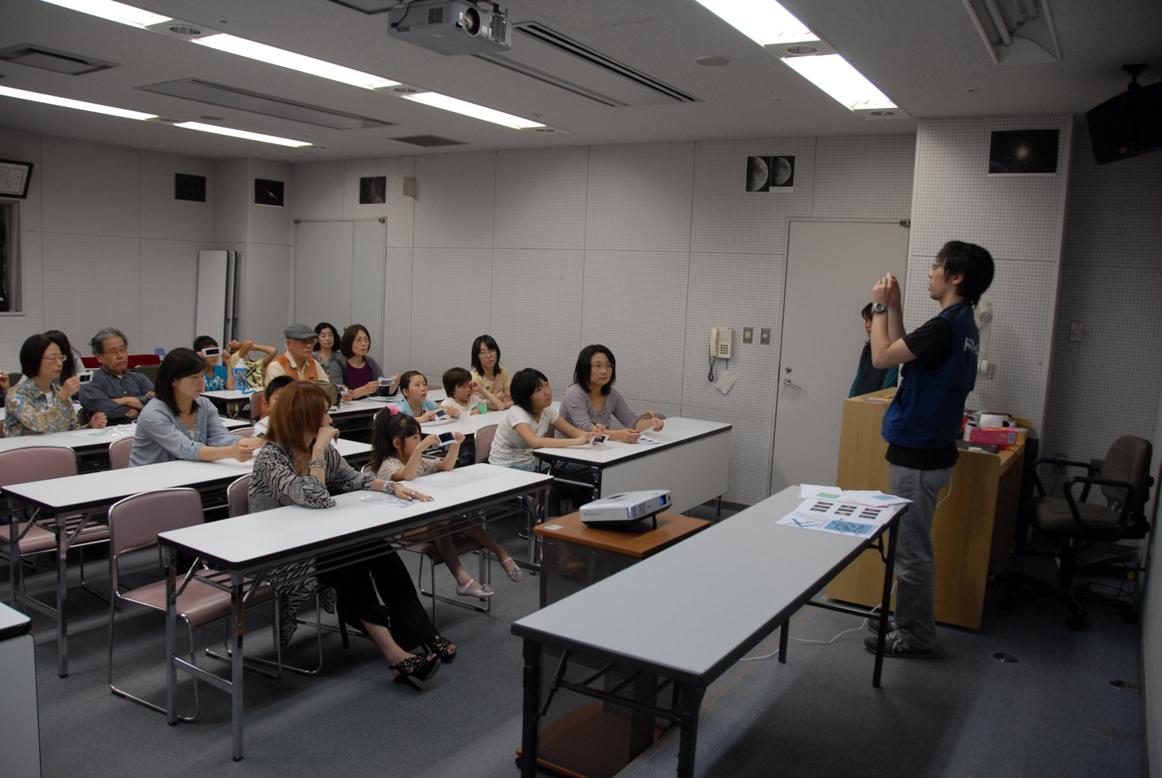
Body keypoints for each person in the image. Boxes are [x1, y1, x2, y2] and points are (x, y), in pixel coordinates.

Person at [248, 381, 453, 687]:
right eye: (324, 414)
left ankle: (422, 634)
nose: (331, 420)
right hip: (281, 552)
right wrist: (318, 449)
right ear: (305, 419)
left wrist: (390, 486)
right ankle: (395, 654)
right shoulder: (271, 457)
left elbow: (352, 480)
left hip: (318, 538)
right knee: (349, 558)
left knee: (378, 550)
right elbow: (314, 496)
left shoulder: (323, 452)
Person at [864, 240, 994, 659]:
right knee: (912, 544)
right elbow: (909, 354)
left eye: (936, 266)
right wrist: (897, 308)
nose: (930, 271)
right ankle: (905, 619)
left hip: (918, 456)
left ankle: (915, 635)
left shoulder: (945, 327)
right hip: (934, 452)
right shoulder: (962, 325)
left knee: (912, 551)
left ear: (956, 276)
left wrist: (880, 308)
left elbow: (882, 356)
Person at [371, 412, 524, 593]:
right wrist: (420, 449)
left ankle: (495, 558)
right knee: (443, 524)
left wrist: (454, 446)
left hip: (428, 518)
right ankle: (465, 575)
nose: (420, 440)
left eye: (420, 436)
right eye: (414, 437)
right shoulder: (389, 464)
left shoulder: (418, 460)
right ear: (397, 443)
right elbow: (407, 476)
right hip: (403, 528)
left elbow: (445, 466)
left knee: (451, 521)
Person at [129, 348, 261, 466]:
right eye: (194, 377)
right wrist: (230, 452)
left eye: (202, 376)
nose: (201, 383)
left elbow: (221, 438)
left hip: (185, 474)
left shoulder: (204, 405)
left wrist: (260, 441)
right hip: (147, 481)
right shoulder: (153, 413)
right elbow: (186, 449)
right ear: (173, 381)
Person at [488, 368, 593, 471]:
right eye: (538, 390)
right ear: (525, 396)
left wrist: (593, 436)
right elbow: (535, 442)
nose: (547, 392)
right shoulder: (516, 413)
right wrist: (576, 442)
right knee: (567, 477)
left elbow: (573, 431)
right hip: (505, 466)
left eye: (546, 384)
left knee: (580, 471)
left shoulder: (547, 411)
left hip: (531, 461)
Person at [5, 333, 106, 436]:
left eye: (61, 357)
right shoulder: (17, 395)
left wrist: (90, 426)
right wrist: (62, 397)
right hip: (27, 450)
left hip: (60, 449)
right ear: (34, 359)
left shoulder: (59, 391)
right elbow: (37, 425)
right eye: (53, 358)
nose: (59, 363)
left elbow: (71, 430)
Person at [560, 344, 665, 442]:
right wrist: (619, 435)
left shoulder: (612, 395)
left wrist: (651, 424)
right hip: (569, 454)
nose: (604, 371)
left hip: (598, 451)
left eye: (608, 365)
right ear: (584, 368)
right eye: (598, 366)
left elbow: (632, 422)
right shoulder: (574, 393)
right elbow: (585, 428)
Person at [78, 327, 154, 425]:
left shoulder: (140, 378)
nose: (120, 355)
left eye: (122, 350)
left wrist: (126, 400)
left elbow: (158, 403)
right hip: (106, 434)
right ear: (99, 357)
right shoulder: (90, 380)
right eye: (113, 351)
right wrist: (139, 407)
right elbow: (101, 407)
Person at [849, 303, 899, 398]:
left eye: (871, 320)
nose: (867, 325)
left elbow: (888, 386)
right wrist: (851, 400)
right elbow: (858, 379)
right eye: (866, 321)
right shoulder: (867, 349)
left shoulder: (894, 350)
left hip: (877, 405)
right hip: (860, 403)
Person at [339, 323, 396, 400]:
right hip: (346, 410)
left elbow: (383, 390)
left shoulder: (370, 362)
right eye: (358, 340)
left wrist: (394, 383)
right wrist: (364, 390)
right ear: (348, 343)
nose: (363, 344)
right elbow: (338, 394)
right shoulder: (337, 363)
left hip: (368, 408)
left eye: (366, 340)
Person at [265, 323, 332, 386]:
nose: (309, 345)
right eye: (303, 341)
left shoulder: (314, 363)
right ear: (288, 344)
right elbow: (281, 396)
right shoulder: (277, 366)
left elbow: (327, 389)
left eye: (311, 341)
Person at [469, 334, 512, 410]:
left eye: (491, 350)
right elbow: (481, 405)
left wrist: (504, 404)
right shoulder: (473, 377)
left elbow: (515, 399)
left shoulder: (503, 373)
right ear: (477, 356)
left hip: (504, 415)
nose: (488, 355)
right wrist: (504, 404)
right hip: (483, 417)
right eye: (483, 352)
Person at [313, 322, 345, 386]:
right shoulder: (312, 357)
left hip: (337, 391)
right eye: (323, 336)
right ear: (317, 339)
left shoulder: (341, 356)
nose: (327, 339)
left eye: (330, 335)